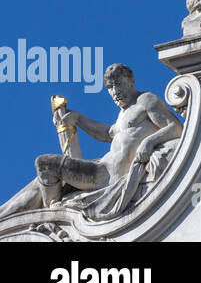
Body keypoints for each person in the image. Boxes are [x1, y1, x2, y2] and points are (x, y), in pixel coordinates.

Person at [0, 64, 182, 221]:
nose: (115, 92)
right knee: (39, 184)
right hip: (100, 168)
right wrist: (78, 118)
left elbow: (175, 128)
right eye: (110, 87)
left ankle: (55, 213)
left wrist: (150, 142)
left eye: (118, 84)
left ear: (131, 81)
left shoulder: (145, 100)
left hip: (104, 175)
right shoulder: (123, 114)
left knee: (45, 164)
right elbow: (107, 133)